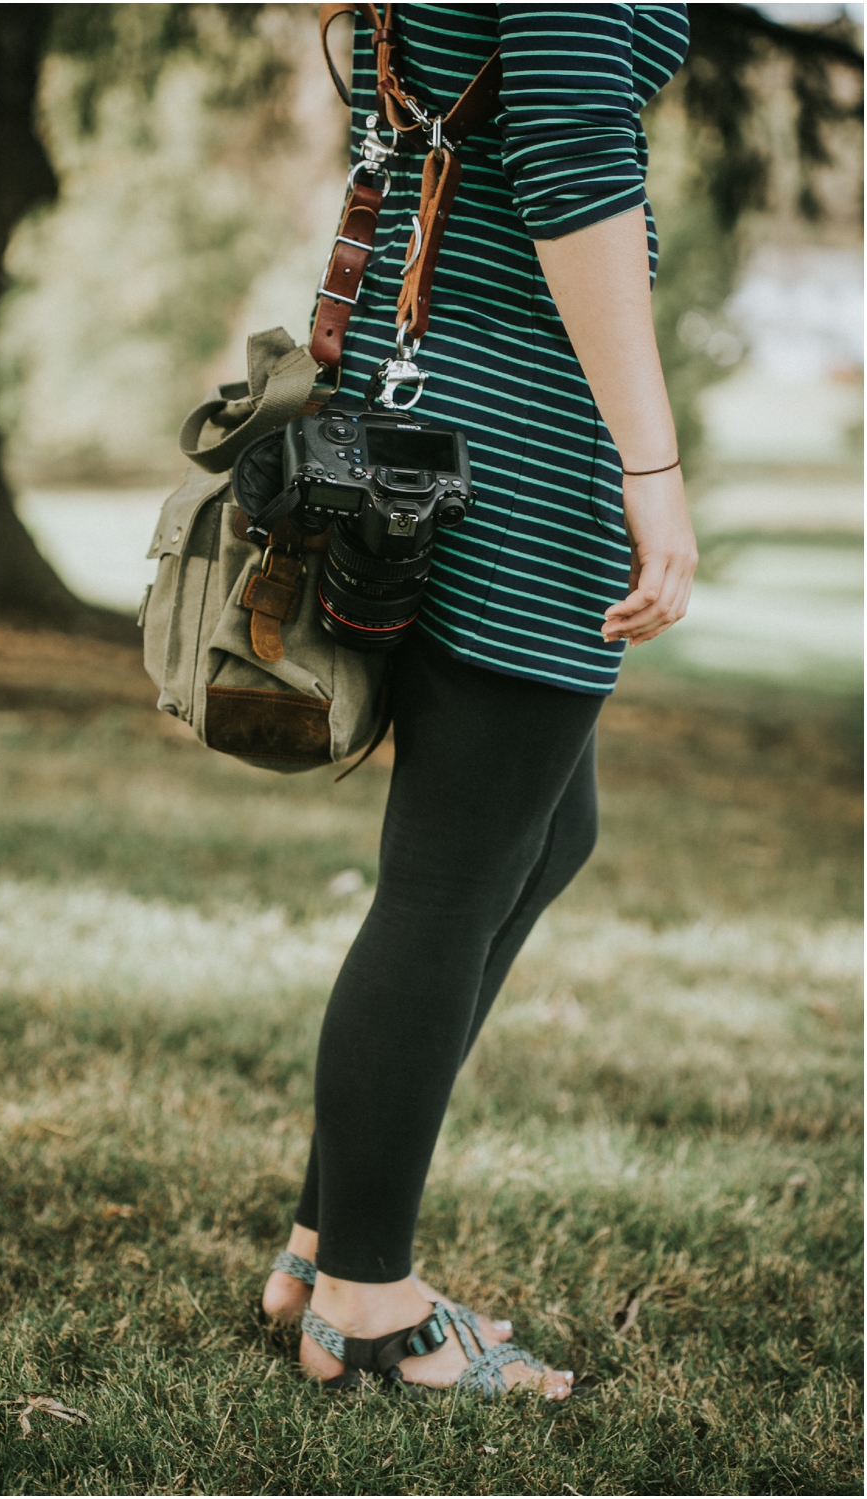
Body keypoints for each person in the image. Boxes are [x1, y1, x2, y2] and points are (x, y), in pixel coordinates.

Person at [255, 5, 696, 1397]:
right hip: (518, 432)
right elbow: (572, 163)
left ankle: (325, 1244)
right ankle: (369, 1304)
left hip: (445, 404)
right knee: (447, 881)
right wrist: (651, 462)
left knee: (543, 839)